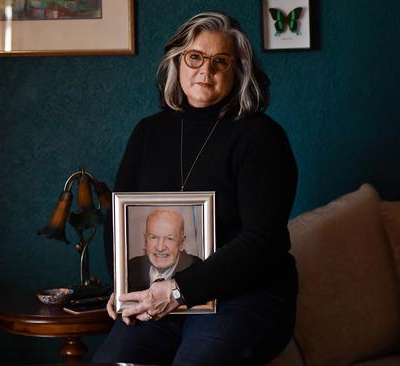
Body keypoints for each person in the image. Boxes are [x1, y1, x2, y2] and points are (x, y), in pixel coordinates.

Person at [94, 11, 298, 365]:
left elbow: (263, 240)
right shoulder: (147, 133)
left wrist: (178, 290)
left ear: (239, 71)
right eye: (195, 57)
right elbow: (118, 219)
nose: (206, 70)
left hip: (244, 296)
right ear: (176, 61)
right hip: (162, 294)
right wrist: (125, 286)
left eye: (221, 61)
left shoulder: (262, 137)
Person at [127, 209, 202, 292]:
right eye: (153, 237)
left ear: (182, 243)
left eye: (169, 238)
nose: (160, 248)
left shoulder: (196, 270)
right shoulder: (130, 268)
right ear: (145, 241)